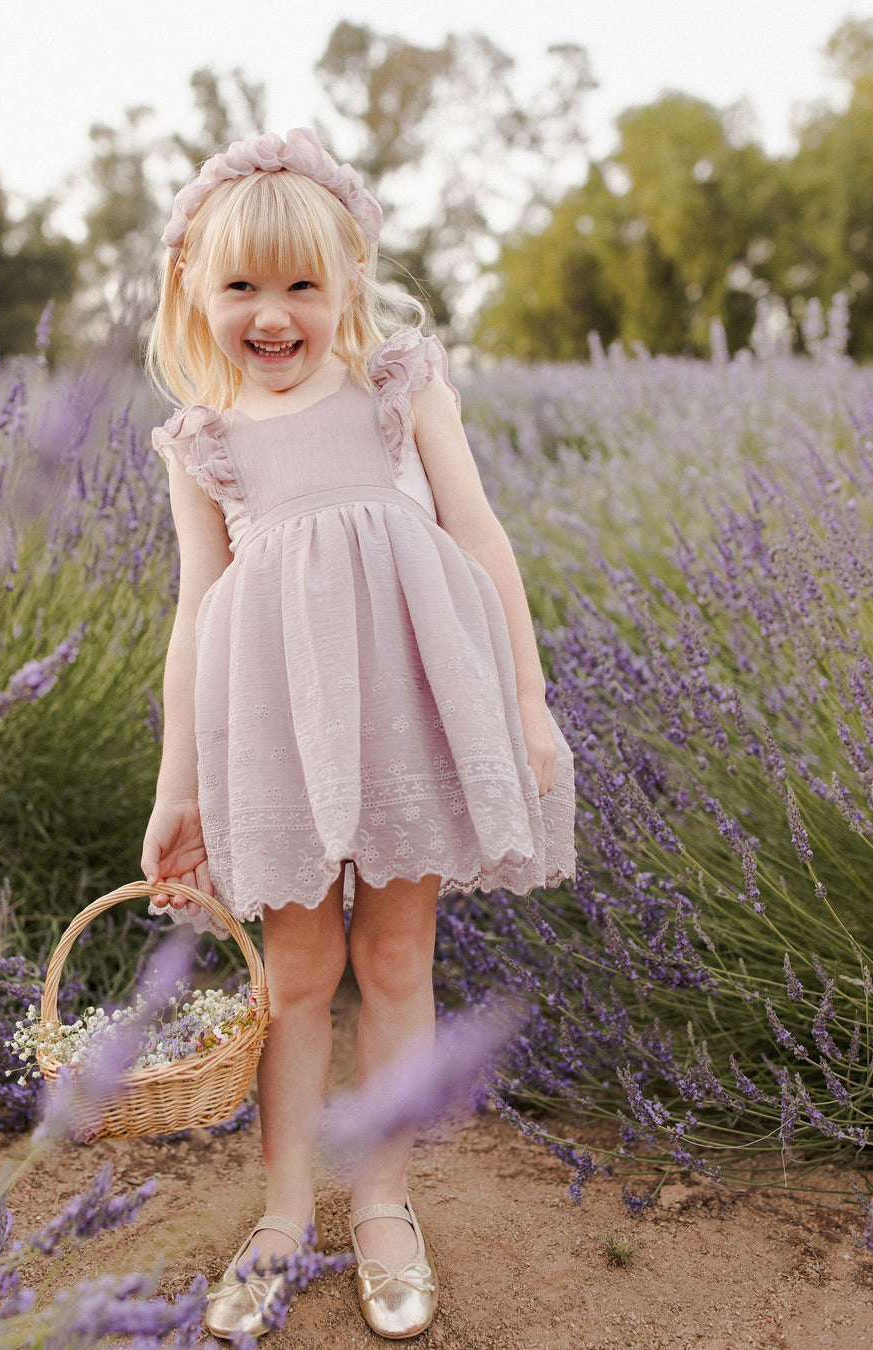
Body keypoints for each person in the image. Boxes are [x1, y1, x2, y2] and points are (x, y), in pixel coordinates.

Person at [139, 126, 577, 1341]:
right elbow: (193, 611)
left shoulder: (400, 387)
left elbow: (482, 537)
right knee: (296, 979)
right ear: (195, 289)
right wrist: (178, 788)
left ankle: (383, 1205)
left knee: (393, 963)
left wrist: (528, 701)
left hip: (406, 712)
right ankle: (283, 1214)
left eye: (301, 287)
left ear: (346, 288)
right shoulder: (203, 438)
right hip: (276, 729)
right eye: (242, 287)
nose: (272, 317)